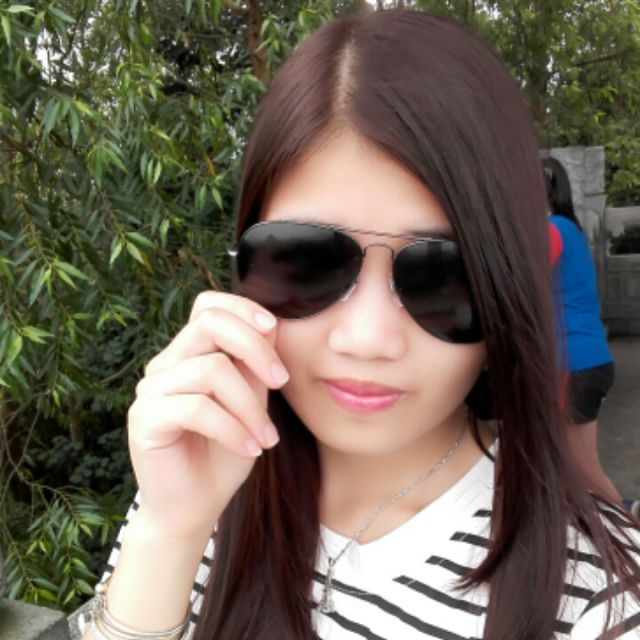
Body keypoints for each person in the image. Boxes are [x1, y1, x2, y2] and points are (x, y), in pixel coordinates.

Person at [81, 10, 640, 640]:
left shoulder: (600, 603)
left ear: (507, 292)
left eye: (442, 277)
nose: (367, 338)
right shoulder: (199, 472)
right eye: (308, 261)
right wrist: (168, 534)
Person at [544, 156, 621, 505]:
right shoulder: (568, 229)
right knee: (566, 465)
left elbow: (516, 279)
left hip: (574, 364)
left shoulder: (553, 230)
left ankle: (629, 529)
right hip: (587, 361)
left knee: (582, 469)